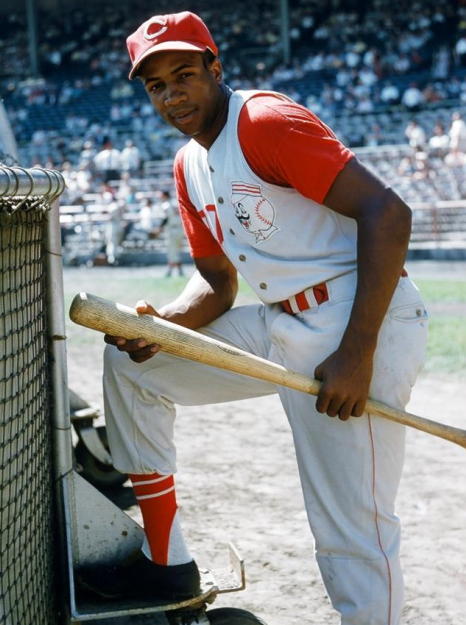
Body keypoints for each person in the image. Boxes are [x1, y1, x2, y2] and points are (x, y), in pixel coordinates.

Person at [81, 12, 428, 624]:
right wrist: (163, 323)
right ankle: (166, 562)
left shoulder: (263, 122)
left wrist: (357, 353)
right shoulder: (189, 163)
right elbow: (218, 283)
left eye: (184, 74)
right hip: (280, 324)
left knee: (351, 526)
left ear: (215, 68)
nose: (172, 94)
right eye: (157, 85)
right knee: (134, 366)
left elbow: (388, 213)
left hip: (358, 321)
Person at [158, 189, 186, 277]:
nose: (160, 197)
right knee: (176, 251)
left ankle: (171, 271)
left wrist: (159, 228)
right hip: (180, 229)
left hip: (171, 230)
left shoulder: (166, 205)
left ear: (165, 195)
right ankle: (177, 271)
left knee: (171, 251)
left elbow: (165, 218)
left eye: (161, 195)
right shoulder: (175, 202)